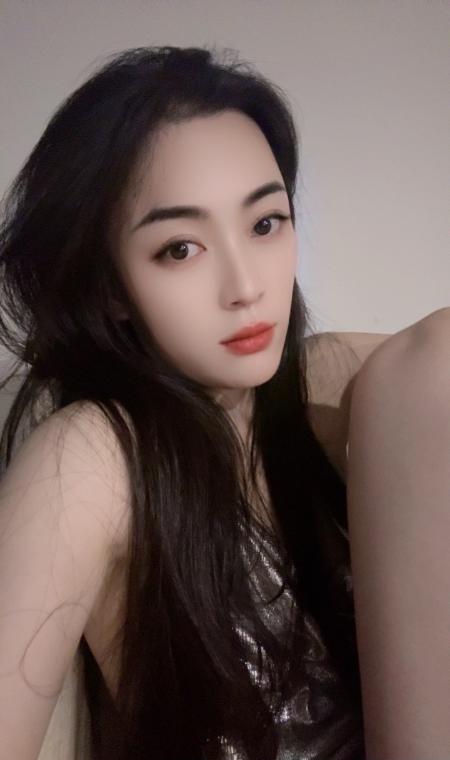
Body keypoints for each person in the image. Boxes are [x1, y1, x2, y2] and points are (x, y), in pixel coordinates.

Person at [0, 45, 448, 760]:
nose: (246, 286)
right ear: (110, 287)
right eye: (180, 248)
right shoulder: (92, 455)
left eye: (265, 223)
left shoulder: (329, 385)